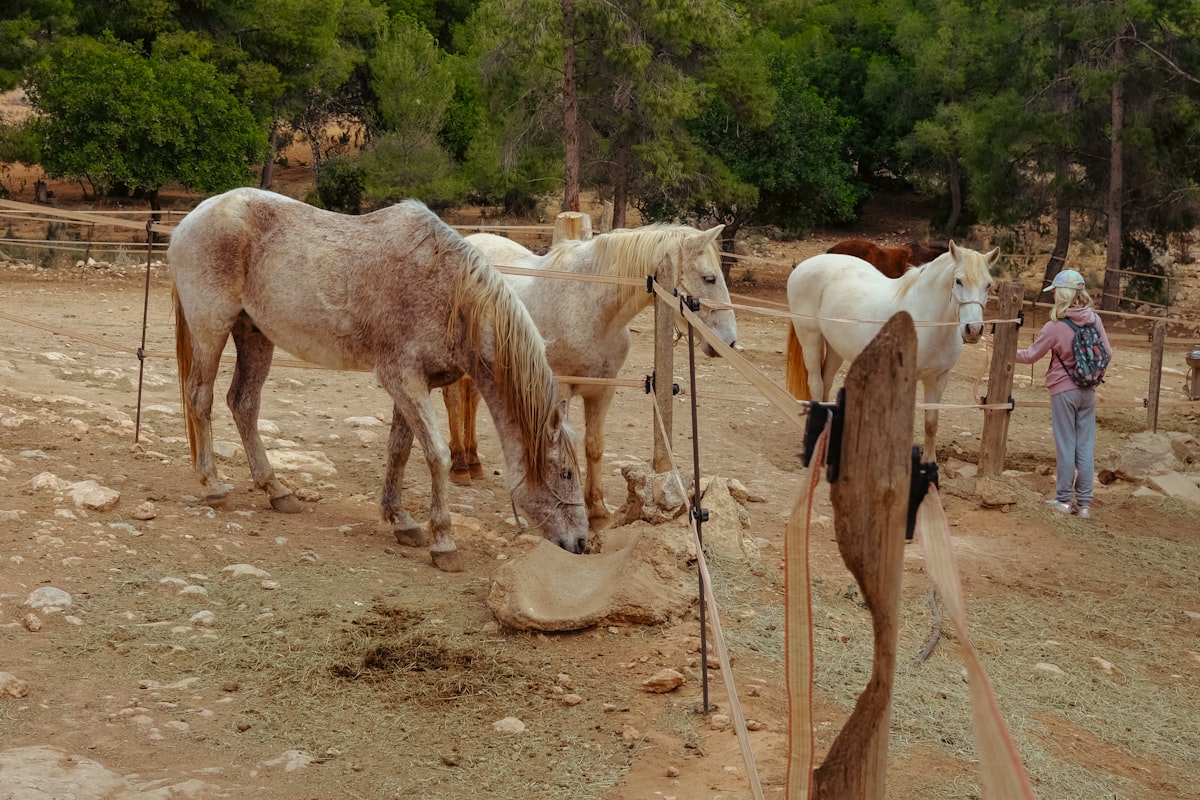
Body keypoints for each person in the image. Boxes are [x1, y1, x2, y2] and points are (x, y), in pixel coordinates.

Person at [1013, 269, 1113, 519]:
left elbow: (1030, 356)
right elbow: (1108, 353)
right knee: (1085, 446)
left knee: (1066, 444)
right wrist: (1090, 374)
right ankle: (1085, 504)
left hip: (1063, 390)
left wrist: (1003, 349)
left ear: (1062, 293)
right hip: (1087, 391)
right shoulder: (1094, 319)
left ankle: (1063, 500)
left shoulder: (1055, 326)